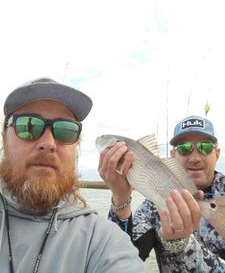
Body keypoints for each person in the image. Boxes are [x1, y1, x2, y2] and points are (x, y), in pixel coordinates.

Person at [0, 77, 144, 273]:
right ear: (4, 138)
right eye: (28, 126)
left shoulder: (102, 240)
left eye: (65, 131)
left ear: (76, 146)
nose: (48, 143)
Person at [98, 115, 225, 272]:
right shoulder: (152, 207)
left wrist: (182, 245)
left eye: (204, 147)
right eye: (184, 148)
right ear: (173, 156)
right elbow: (118, 262)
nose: (195, 158)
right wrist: (120, 199)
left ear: (217, 153)